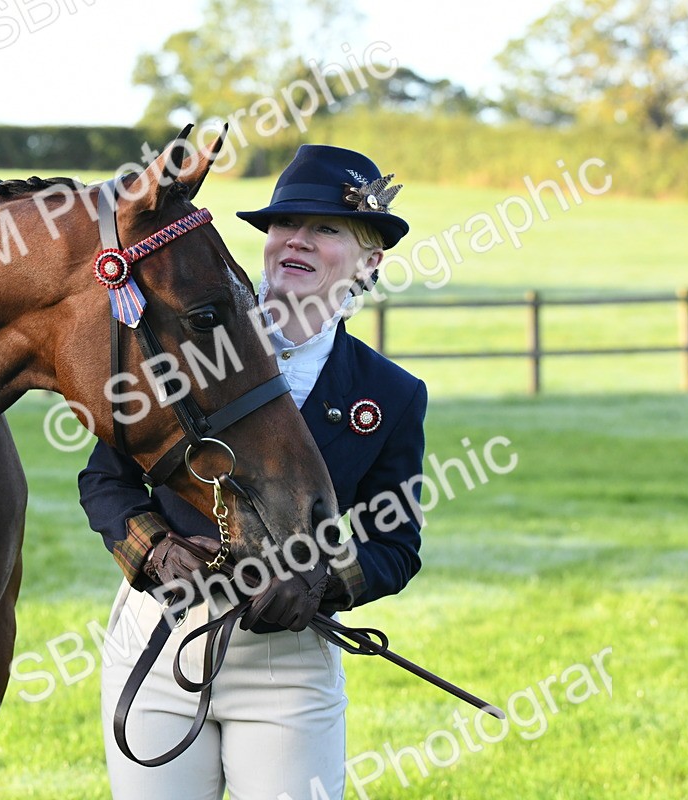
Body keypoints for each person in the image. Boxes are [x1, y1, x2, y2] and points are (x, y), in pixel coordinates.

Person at [78, 144, 428, 800]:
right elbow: (105, 480)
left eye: (326, 229)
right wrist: (154, 549)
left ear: (370, 262)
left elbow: (396, 547)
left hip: (289, 669)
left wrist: (322, 582)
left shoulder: (393, 395)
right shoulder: (183, 346)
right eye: (285, 224)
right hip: (157, 641)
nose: (296, 240)